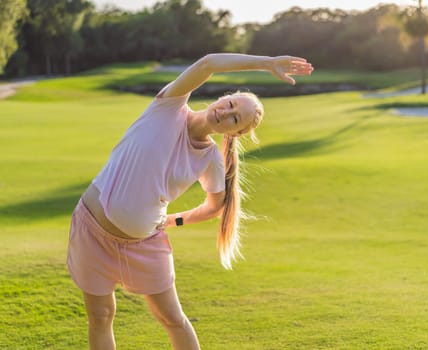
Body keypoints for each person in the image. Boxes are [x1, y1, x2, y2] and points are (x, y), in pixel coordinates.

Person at [66, 53, 313, 350]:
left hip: (144, 245)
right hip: (91, 231)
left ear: (234, 133)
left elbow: (215, 207)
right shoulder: (170, 105)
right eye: (231, 104)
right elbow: (207, 63)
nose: (226, 113)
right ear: (224, 97)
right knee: (101, 314)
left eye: (236, 119)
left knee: (173, 318)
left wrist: (174, 220)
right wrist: (266, 63)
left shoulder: (210, 161)